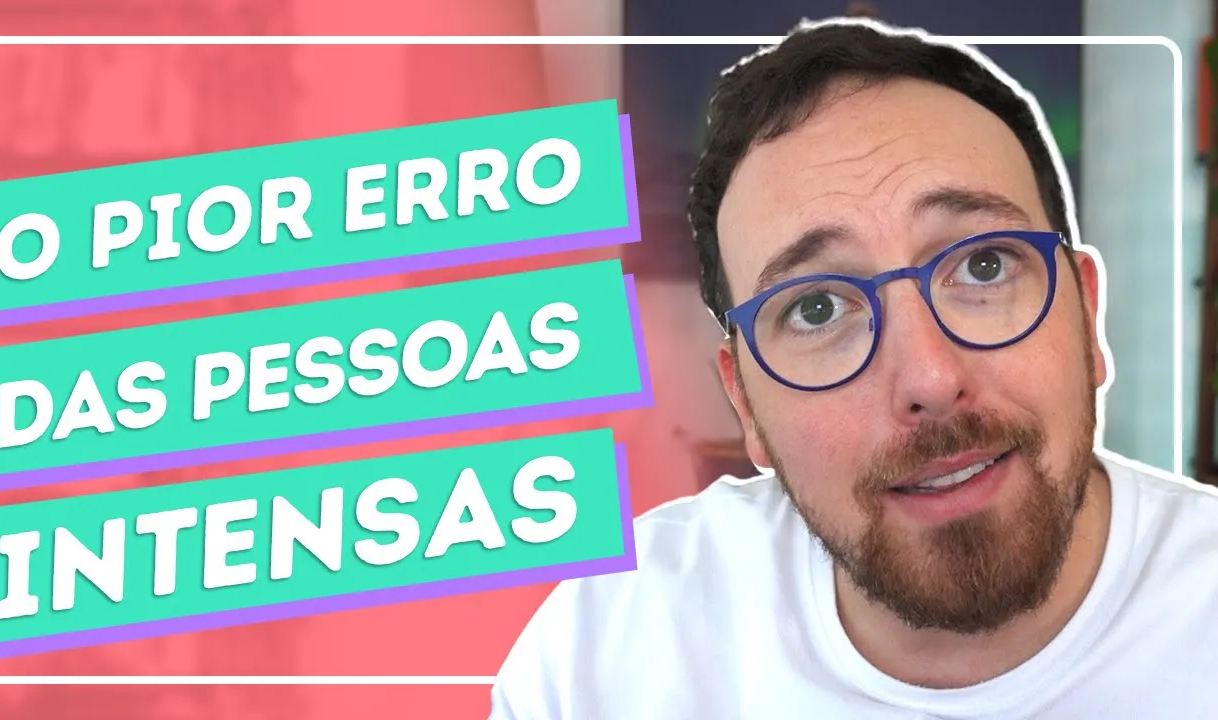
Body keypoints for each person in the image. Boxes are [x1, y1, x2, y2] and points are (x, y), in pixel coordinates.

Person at [489, 18, 1218, 719]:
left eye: (984, 265)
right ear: (745, 404)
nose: (931, 379)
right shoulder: (603, 652)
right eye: (816, 309)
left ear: (1086, 316)